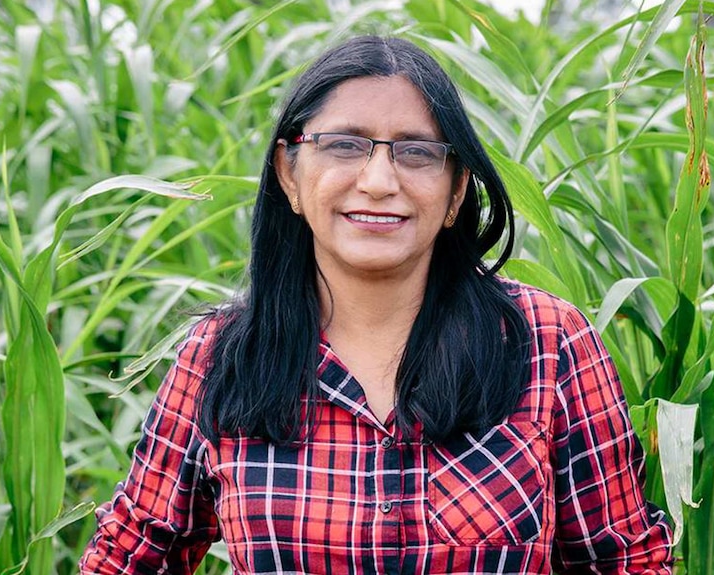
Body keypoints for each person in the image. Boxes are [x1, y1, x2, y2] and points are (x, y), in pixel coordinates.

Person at [79, 35, 673, 574]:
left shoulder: (546, 342)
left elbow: (627, 563)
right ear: (289, 172)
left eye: (416, 153)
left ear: (455, 190)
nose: (379, 181)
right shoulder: (222, 358)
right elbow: (127, 558)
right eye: (344, 146)